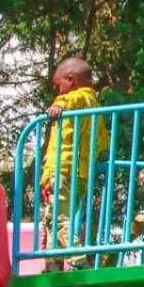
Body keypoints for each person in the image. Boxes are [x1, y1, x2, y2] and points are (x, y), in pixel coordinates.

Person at [39, 56, 110, 269]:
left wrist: (55, 107)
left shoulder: (76, 97)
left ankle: (79, 261)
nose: (58, 90)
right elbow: (102, 141)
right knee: (52, 219)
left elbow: (66, 101)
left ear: (71, 80)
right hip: (80, 174)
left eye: (58, 84)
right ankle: (53, 265)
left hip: (62, 169)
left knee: (60, 219)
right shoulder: (95, 106)